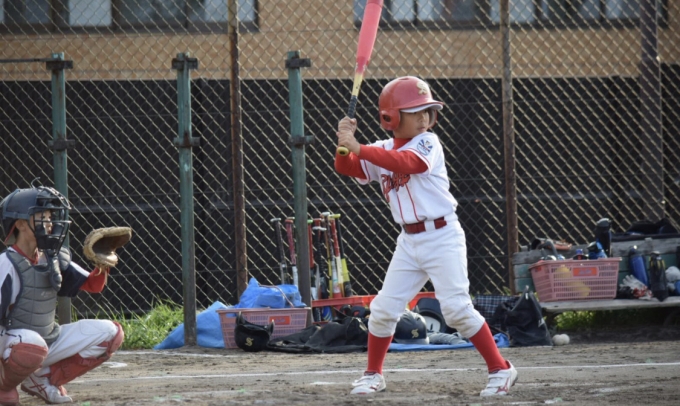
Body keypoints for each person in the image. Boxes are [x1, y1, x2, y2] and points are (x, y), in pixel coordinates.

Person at [334, 76, 518, 396]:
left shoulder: (428, 142)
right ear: (391, 117)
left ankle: (501, 369)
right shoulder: (380, 149)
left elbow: (409, 163)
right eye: (414, 112)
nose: (423, 118)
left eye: (426, 111)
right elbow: (347, 167)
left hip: (442, 236)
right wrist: (344, 141)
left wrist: (359, 147)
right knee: (383, 309)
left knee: (457, 310)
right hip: (408, 242)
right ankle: (373, 374)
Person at [0, 181, 124, 405]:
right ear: (20, 224)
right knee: (30, 344)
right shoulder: (6, 264)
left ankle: (42, 378)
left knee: (110, 334)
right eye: (42, 217)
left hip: (43, 340)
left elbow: (93, 286)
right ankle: (4, 386)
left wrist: (102, 264)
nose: (50, 223)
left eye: (50, 217)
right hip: (9, 344)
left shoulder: (52, 257)